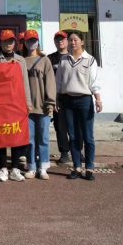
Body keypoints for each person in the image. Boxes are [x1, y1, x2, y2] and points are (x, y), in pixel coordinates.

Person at [55, 31, 102, 182]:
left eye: (75, 40)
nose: (73, 42)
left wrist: (98, 99)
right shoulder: (64, 60)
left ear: (82, 41)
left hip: (84, 101)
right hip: (67, 101)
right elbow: (58, 82)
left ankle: (89, 167)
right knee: (73, 136)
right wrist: (57, 99)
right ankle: (76, 167)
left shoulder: (90, 60)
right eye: (70, 40)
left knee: (88, 136)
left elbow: (94, 82)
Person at [0, 29, 32, 182]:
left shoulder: (21, 60)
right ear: (1, 43)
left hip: (17, 103)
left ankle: (14, 168)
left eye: (11, 41)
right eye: (5, 41)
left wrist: (28, 103)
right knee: (1, 136)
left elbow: (25, 83)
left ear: (15, 43)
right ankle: (2, 167)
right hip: (0, 103)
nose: (8, 44)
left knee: (16, 134)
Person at [22, 30, 56, 180]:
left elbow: (50, 82)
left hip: (42, 106)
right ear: (25, 42)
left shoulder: (45, 60)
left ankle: (43, 167)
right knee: (29, 139)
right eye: (29, 40)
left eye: (34, 40)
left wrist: (51, 102)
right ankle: (31, 166)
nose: (31, 43)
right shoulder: (21, 61)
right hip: (26, 107)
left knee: (43, 138)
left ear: (38, 42)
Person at [47, 30, 71, 165]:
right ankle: (64, 152)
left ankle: (77, 151)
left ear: (67, 41)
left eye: (62, 39)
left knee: (75, 126)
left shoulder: (74, 56)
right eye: (57, 39)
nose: (60, 41)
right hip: (58, 97)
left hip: (73, 96)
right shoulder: (50, 59)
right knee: (60, 126)